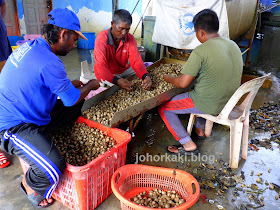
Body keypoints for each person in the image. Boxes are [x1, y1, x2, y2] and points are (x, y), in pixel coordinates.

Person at [0, 8, 100, 208]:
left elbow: (43, 82)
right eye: (74, 39)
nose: (74, 45)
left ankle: (38, 147)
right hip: (13, 126)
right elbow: (71, 99)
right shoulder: (50, 61)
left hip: (29, 111)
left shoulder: (35, 46)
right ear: (63, 34)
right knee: (54, 167)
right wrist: (91, 85)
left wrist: (67, 85)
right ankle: (29, 185)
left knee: (74, 105)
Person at [159, 9, 243, 155]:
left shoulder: (200, 51)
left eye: (196, 33)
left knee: (165, 108)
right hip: (229, 102)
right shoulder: (233, 45)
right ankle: (200, 130)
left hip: (210, 104)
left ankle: (187, 144)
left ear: (201, 32)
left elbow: (183, 83)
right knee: (203, 87)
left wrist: (168, 78)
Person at [94, 9, 152, 91]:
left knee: (146, 72)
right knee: (109, 91)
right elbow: (101, 66)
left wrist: (145, 76)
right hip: (106, 73)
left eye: (127, 29)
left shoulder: (130, 39)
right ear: (112, 24)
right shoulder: (101, 40)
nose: (124, 33)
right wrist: (117, 81)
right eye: (121, 28)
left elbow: (136, 61)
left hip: (123, 70)